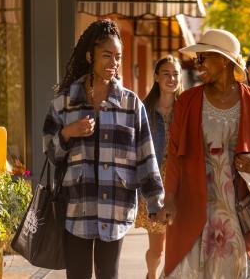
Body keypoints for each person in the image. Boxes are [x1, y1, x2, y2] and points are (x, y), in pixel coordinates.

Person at [42, 19, 164, 279]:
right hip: (76, 207)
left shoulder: (131, 105)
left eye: (118, 57)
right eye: (107, 55)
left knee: (109, 275)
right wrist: (67, 133)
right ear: (90, 55)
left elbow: (146, 156)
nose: (114, 63)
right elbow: (51, 154)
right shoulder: (64, 103)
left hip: (116, 207)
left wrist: (155, 202)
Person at [161, 29, 250, 278]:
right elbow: (174, 155)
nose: (197, 63)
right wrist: (169, 196)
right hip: (193, 205)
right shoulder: (187, 101)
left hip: (237, 210)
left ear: (223, 60)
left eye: (203, 58)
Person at [135, 55, 183, 279]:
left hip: (181, 184)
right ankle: (151, 276)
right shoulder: (143, 110)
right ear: (156, 77)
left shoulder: (186, 109)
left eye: (175, 74)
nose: (172, 78)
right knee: (157, 249)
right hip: (154, 185)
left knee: (180, 246)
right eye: (166, 73)